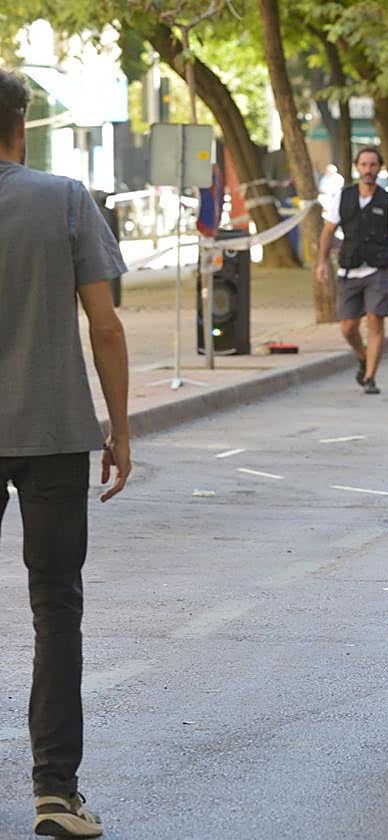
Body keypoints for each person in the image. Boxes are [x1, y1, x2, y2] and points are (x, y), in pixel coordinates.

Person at [0, 67, 131, 838]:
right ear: (23, 123)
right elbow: (105, 326)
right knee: (56, 610)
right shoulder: (64, 199)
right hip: (53, 436)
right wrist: (119, 426)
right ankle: (56, 794)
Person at [316, 146, 388, 395]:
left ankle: (370, 377)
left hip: (378, 269)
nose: (368, 170)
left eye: (373, 165)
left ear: (379, 168)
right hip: (349, 269)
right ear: (357, 168)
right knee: (347, 327)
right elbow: (328, 231)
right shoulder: (343, 197)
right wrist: (322, 262)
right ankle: (362, 356)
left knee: (375, 321)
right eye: (364, 165)